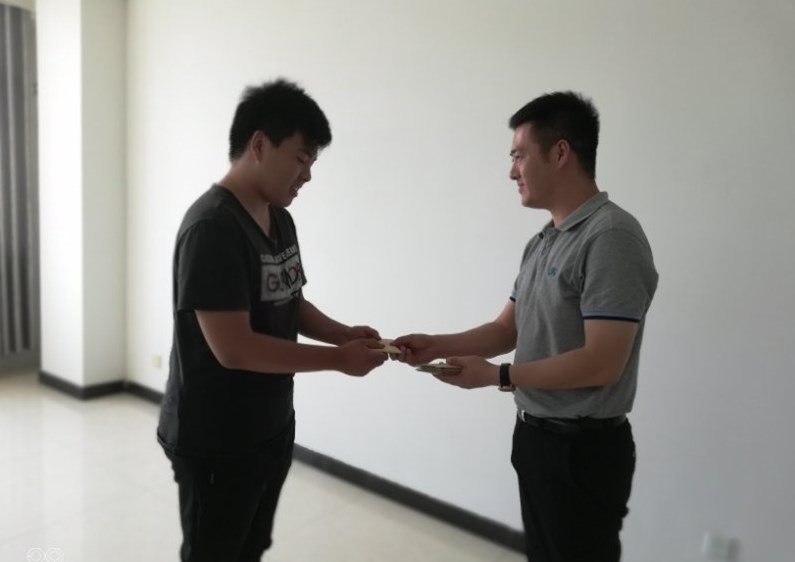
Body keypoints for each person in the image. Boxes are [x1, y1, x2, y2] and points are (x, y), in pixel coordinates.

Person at [393, 91, 658, 562]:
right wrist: (434, 344)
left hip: (584, 452)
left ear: (560, 153)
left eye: (518, 155)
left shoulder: (611, 237)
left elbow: (603, 362)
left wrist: (498, 375)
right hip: (536, 437)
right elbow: (506, 329)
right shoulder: (543, 241)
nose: (512, 171)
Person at [157, 79, 387, 562]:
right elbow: (234, 348)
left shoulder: (279, 218)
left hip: (271, 426)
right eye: (301, 158)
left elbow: (290, 301)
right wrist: (338, 360)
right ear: (259, 144)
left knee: (250, 548)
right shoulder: (212, 227)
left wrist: (342, 334)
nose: (307, 176)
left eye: (312, 163)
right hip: (217, 440)